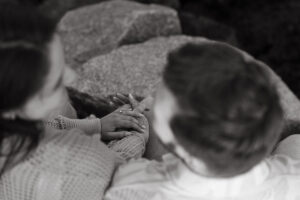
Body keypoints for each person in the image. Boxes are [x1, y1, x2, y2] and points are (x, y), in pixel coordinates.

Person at [105, 41, 300, 200]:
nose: (149, 100)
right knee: (295, 143)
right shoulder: (292, 178)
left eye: (155, 104)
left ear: (181, 148)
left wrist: (139, 135)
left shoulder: (133, 185)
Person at [0, 3, 149, 200]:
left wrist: (95, 125)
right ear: (10, 110)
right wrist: (139, 133)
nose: (71, 77)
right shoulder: (81, 159)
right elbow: (124, 170)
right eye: (56, 83)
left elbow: (41, 127)